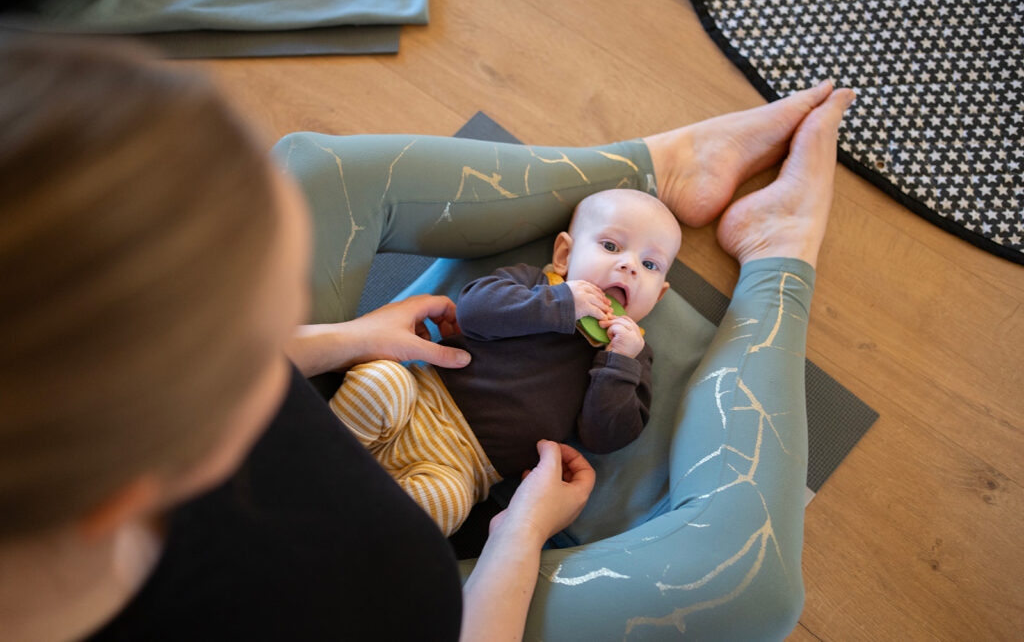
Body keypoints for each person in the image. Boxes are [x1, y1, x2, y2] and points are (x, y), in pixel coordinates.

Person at [0, 33, 853, 641]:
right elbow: (490, 314)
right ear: (136, 481)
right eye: (242, 344)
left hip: (415, 416)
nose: (271, 350)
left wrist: (341, 336)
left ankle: (654, 167)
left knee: (306, 166)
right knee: (755, 582)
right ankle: (778, 256)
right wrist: (518, 536)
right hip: (465, 541)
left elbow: (614, 416)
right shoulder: (385, 604)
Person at [329, 189, 682, 536]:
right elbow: (473, 311)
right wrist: (559, 302)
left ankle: (350, 526)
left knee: (447, 505)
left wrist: (618, 362)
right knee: (381, 379)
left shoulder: (633, 356)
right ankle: (320, 457)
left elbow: (604, 437)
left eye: (650, 265)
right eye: (611, 246)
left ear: (659, 294)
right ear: (564, 255)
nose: (629, 266)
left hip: (462, 467)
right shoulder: (534, 283)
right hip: (415, 399)